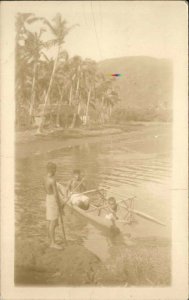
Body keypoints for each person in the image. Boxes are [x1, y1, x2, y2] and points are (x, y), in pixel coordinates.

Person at [44, 162, 63, 249]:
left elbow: (44, 188)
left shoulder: (44, 178)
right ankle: (53, 243)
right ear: (52, 170)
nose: (56, 171)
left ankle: (50, 240)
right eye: (55, 169)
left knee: (49, 220)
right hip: (52, 200)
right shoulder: (53, 180)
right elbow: (56, 195)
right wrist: (60, 205)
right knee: (54, 221)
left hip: (48, 197)